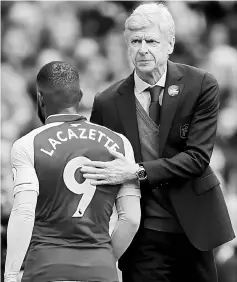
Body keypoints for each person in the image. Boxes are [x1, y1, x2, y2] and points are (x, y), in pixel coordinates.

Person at [80, 3, 235, 282]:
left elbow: (197, 159)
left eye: (151, 41)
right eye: (135, 41)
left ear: (170, 44)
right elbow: (102, 171)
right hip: (142, 233)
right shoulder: (106, 102)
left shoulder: (200, 84)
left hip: (194, 226)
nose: (142, 49)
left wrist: (136, 171)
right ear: (127, 46)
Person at [4, 61, 141, 282]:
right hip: (100, 269)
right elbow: (132, 219)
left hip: (45, 267)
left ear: (40, 99)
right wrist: (104, 259)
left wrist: (10, 275)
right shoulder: (120, 143)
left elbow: (24, 213)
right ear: (80, 97)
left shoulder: (28, 144)